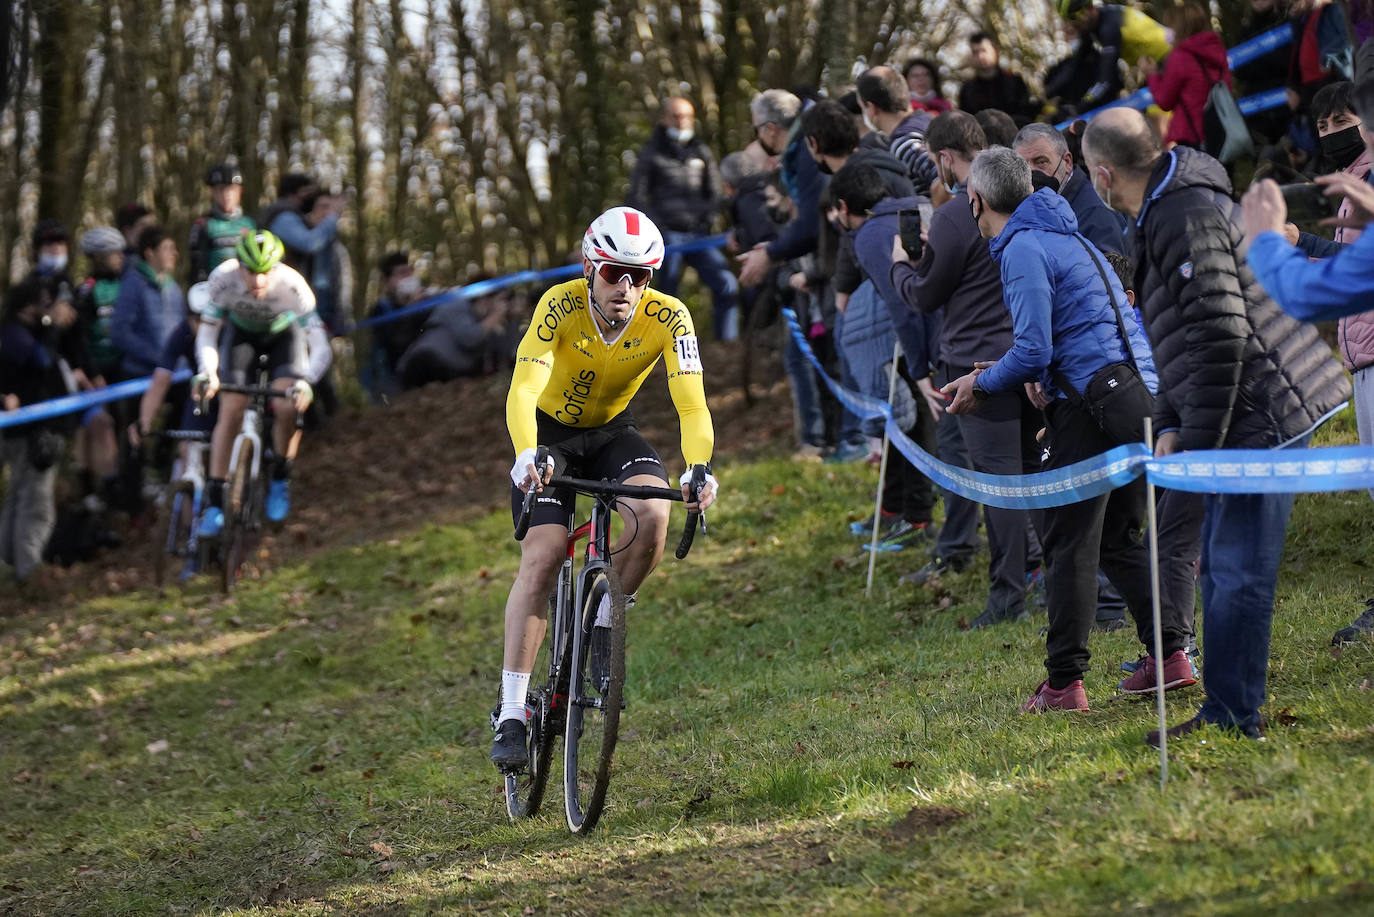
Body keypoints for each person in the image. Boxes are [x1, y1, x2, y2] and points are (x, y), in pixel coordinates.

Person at [1082, 107, 1350, 744]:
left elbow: (1222, 335)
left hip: (1265, 408)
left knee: (1236, 568)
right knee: (1224, 566)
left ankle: (1234, 715)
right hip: (1239, 405)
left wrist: (1195, 445)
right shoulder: (1163, 209)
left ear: (1100, 174)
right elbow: (1181, 334)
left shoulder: (1183, 213)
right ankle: (1226, 708)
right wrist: (1172, 421)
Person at [491, 206, 718, 770]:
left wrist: (699, 467)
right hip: (549, 436)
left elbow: (691, 401)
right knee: (543, 556)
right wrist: (525, 453)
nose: (627, 287)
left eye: (640, 276)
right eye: (615, 272)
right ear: (590, 265)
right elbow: (524, 388)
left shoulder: (670, 317)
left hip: (613, 431)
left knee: (652, 516)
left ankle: (601, 621)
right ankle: (514, 711)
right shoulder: (559, 305)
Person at [940, 149, 1165, 712]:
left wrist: (981, 383)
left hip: (1088, 406)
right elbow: (1064, 336)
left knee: (1067, 542)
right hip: (1133, 395)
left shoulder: (1021, 246)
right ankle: (1172, 655)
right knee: (1118, 538)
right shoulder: (1070, 234)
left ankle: (1064, 683)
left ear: (977, 201)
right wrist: (1018, 371)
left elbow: (1036, 346)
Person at [1239, 76, 1374, 644]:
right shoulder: (1358, 183)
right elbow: (1351, 269)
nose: (1339, 133)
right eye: (1326, 125)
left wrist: (1267, 241)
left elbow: (1317, 294)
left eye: (1350, 120)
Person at [889, 111, 1035, 626]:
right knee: (1034, 475)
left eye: (934, 161)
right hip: (1031, 354)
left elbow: (926, 295)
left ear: (947, 158)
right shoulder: (1030, 198)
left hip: (978, 365)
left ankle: (1008, 596)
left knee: (999, 485)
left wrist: (900, 266)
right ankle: (1037, 577)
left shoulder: (956, 214)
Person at [829, 161, 941, 549]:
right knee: (897, 418)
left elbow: (902, 301)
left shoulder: (870, 233)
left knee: (915, 423)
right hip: (924, 336)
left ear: (844, 207)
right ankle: (895, 508)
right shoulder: (913, 210)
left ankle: (918, 517)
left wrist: (919, 365)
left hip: (918, 340)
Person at [194, 231, 331, 537]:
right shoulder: (221, 280)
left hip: (284, 337)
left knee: (286, 405)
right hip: (241, 338)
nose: (258, 281)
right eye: (251, 272)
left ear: (277, 268)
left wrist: (307, 382)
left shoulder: (294, 286)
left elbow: (320, 345)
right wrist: (208, 371)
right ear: (238, 266)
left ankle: (281, 476)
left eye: (265, 272)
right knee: (230, 409)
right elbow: (207, 334)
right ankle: (215, 502)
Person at [627, 97, 739, 341]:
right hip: (666, 238)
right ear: (664, 118)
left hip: (699, 236)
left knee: (727, 283)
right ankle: (661, 346)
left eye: (687, 116)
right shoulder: (651, 152)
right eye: (676, 116)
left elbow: (716, 191)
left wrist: (706, 219)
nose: (682, 122)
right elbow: (636, 195)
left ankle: (727, 344)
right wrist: (658, 230)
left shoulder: (701, 150)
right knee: (666, 295)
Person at [0, 276, 71, 586]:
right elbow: (42, 362)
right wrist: (52, 328)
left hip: (31, 428)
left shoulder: (21, 333)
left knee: (18, 498)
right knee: (34, 503)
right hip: (28, 433)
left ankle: (9, 566)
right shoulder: (16, 336)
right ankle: (29, 572)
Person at [737, 90, 827, 289]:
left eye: (757, 130)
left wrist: (770, 254)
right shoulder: (803, 144)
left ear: (771, 128)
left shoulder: (807, 148)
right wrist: (773, 249)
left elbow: (812, 221)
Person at [1013, 122, 1127, 255]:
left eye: (1041, 162)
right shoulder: (1037, 208)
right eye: (1023, 167)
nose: (1032, 172)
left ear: (1067, 162)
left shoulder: (1093, 211)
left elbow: (1112, 271)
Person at [1138, 1, 1231, 152]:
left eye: (1169, 27)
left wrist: (1152, 75)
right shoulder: (1216, 48)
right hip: (1223, 126)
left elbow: (1164, 101)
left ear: (1179, 27)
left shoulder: (1180, 57)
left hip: (1192, 133)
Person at [1058, 0, 1173, 111]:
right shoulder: (1097, 21)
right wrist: (1047, 93)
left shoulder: (1109, 26)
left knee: (1157, 115)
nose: (1076, 27)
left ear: (1090, 8)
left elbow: (1106, 79)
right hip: (1158, 62)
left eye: (1076, 22)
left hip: (1167, 59)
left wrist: (1082, 106)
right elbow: (1075, 64)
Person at [111, 225, 186, 380]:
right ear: (150, 253)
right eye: (167, 249)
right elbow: (120, 333)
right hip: (141, 375)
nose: (174, 254)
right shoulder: (132, 285)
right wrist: (157, 357)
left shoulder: (173, 288)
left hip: (175, 373)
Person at [856, 67, 941, 196]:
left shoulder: (904, 144)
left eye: (862, 108)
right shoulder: (928, 121)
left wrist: (937, 209)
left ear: (872, 108)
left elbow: (948, 180)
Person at [365, 252, 434, 400]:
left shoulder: (426, 300)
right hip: (395, 380)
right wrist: (410, 310)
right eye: (401, 273)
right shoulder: (380, 309)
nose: (408, 277)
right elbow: (392, 343)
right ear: (387, 281)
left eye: (409, 272)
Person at [188, 162, 255, 284]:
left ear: (240, 191)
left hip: (246, 290)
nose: (227, 194)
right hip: (216, 290)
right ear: (212, 192)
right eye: (221, 189)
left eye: (232, 189)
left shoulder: (251, 224)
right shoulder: (203, 225)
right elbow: (197, 268)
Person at [958, 33, 1036, 125]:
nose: (981, 56)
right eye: (975, 52)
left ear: (995, 50)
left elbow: (1026, 114)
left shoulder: (1015, 82)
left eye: (984, 50)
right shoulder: (967, 90)